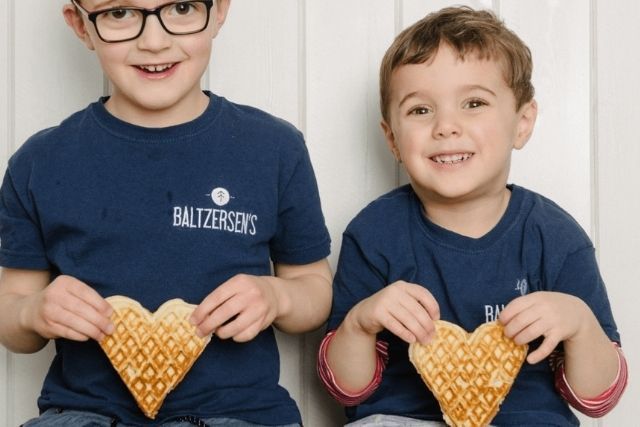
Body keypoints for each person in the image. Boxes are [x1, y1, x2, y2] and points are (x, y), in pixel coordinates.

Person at [0, 1, 332, 426]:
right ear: (81, 26)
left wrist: (277, 296)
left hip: (237, 415)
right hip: (86, 413)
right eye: (119, 13)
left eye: (180, 7)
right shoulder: (40, 162)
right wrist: (33, 311)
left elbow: (314, 288)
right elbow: (12, 310)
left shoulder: (273, 149)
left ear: (218, 11)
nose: (153, 41)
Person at [317, 6, 627, 427]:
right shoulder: (374, 234)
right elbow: (346, 388)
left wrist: (578, 323)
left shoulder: (555, 237)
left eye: (474, 103)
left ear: (522, 122)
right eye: (420, 110)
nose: (446, 125)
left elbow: (598, 400)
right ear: (391, 137)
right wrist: (361, 322)